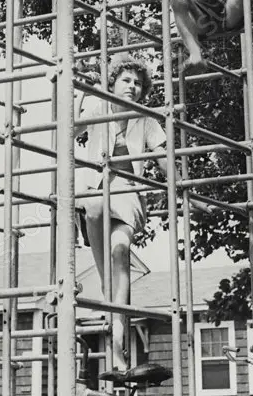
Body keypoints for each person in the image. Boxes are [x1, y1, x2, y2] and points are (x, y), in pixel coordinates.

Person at [75, 51, 166, 384]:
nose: (133, 87)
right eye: (126, 80)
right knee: (94, 205)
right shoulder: (99, 107)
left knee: (119, 251)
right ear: (111, 83)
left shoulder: (145, 118)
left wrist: (182, 187)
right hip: (97, 190)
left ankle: (117, 352)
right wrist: (83, 90)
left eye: (139, 83)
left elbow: (161, 156)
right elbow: (68, 130)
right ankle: (108, 300)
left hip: (128, 191)